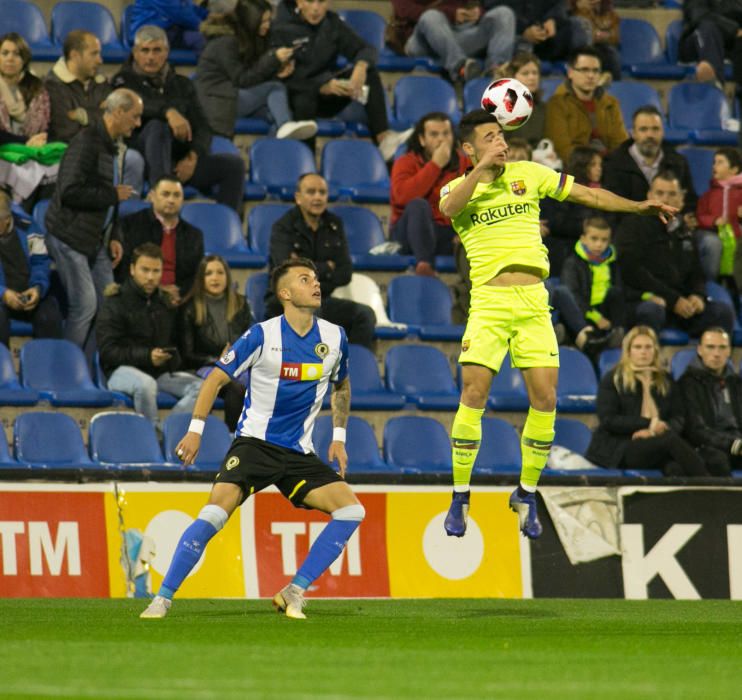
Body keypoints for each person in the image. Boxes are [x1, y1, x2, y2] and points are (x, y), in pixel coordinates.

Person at [437, 109, 677, 540]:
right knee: (474, 392)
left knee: (546, 399)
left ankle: (526, 493)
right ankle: (460, 494)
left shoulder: (529, 173)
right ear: (469, 148)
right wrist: (481, 169)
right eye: (490, 137)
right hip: (490, 301)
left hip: (533, 300)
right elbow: (450, 208)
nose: (501, 142)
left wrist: (638, 206)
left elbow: (592, 196)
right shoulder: (459, 188)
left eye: (502, 135)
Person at [140, 257, 364, 620]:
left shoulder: (335, 337)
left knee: (352, 509)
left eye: (317, 278)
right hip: (255, 445)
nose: (316, 284)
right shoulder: (262, 335)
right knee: (214, 513)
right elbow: (215, 379)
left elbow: (342, 385)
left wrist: (338, 436)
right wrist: (195, 431)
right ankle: (162, 598)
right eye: (306, 279)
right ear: (286, 294)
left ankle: (294, 590)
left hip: (298, 453)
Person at [44, 89, 142, 350]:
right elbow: (69, 191)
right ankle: (67, 373)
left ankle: (89, 374)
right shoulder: (86, 141)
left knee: (109, 307)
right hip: (68, 236)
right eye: (134, 116)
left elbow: (113, 201)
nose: (138, 123)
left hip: (95, 238)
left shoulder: (114, 145)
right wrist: (112, 194)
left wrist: (115, 236)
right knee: (85, 305)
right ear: (118, 112)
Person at [112, 25, 245, 212]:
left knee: (234, 165)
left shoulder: (182, 84)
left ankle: (228, 226)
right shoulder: (122, 80)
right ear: (135, 52)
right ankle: (162, 193)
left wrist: (193, 157)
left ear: (166, 52)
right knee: (158, 126)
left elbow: (203, 127)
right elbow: (140, 106)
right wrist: (169, 112)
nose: (150, 57)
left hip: (179, 163)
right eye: (145, 50)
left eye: (157, 50)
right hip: (142, 160)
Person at [270, 0, 412, 161]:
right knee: (304, 101)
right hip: (295, 97)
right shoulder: (281, 29)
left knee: (370, 73)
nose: (316, 8)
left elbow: (366, 49)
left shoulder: (332, 24)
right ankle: (306, 162)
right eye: (310, 1)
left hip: (328, 93)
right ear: (299, 2)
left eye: (321, 2)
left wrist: (360, 66)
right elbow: (279, 79)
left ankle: (384, 140)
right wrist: (320, 86)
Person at [616, 170, 735, 338]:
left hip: (682, 305)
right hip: (646, 299)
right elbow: (633, 272)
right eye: (659, 193)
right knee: (651, 310)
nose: (665, 199)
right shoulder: (632, 225)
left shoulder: (683, 229)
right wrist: (673, 300)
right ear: (649, 195)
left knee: (722, 312)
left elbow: (697, 271)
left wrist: (697, 295)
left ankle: (707, 360)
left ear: (682, 199)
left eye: (672, 194)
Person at [96, 242, 203, 427]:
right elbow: (108, 351)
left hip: (158, 372)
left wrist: (168, 356)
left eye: (156, 271)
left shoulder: (164, 303)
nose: (151, 277)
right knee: (146, 385)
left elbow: (174, 343)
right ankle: (152, 434)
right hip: (119, 371)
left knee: (202, 387)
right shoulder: (114, 303)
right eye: (145, 270)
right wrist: (147, 356)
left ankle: (164, 431)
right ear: (132, 269)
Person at [266, 173, 376, 350]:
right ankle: (312, 373)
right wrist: (327, 267)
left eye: (322, 192)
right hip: (286, 302)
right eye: (311, 192)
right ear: (298, 198)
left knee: (364, 315)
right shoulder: (283, 227)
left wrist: (306, 272)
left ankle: (350, 371)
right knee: (311, 311)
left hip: (321, 298)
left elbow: (345, 272)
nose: (317, 197)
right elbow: (287, 273)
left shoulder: (334, 224)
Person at [585, 325, 709, 476]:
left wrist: (656, 431)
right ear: (628, 351)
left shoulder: (665, 380)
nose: (643, 352)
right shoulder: (613, 379)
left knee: (675, 468)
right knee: (670, 441)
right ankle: (713, 489)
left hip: (657, 441)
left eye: (648, 347)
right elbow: (608, 419)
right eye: (638, 347)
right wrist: (648, 424)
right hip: (621, 446)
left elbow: (679, 417)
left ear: (655, 350)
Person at [195, 0, 317, 140]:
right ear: (251, 20)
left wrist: (277, 71)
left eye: (269, 20)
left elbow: (254, 73)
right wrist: (273, 59)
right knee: (275, 88)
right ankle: (285, 124)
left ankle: (271, 155)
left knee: (276, 114)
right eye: (264, 21)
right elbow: (242, 80)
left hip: (234, 96)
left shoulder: (252, 38)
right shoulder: (226, 42)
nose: (268, 25)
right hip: (218, 100)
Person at [44, 31, 145, 194]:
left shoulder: (100, 82)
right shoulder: (53, 86)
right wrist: (98, 113)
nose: (100, 60)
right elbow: (66, 131)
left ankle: (126, 213)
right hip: (71, 152)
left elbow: (115, 120)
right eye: (94, 54)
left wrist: (82, 115)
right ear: (75, 55)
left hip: (105, 147)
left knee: (133, 159)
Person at [390, 111, 471, 277]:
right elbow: (403, 198)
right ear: (422, 139)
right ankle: (424, 265)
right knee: (418, 205)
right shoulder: (405, 162)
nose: (441, 139)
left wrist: (463, 233)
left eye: (446, 134)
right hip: (409, 233)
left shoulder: (466, 164)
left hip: (448, 233)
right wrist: (435, 165)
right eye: (434, 134)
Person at [179, 255, 252, 432]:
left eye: (220, 272)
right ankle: (229, 437)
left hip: (237, 366)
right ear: (201, 278)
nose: (215, 277)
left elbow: (249, 341)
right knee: (235, 386)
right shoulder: (189, 307)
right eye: (209, 273)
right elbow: (186, 355)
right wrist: (217, 360)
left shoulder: (240, 303)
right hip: (205, 366)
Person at [117, 176, 204, 306]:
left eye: (176, 195)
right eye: (165, 194)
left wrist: (178, 294)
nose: (171, 200)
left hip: (180, 300)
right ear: (152, 196)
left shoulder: (194, 235)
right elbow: (124, 269)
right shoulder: (130, 225)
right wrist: (159, 291)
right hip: (139, 297)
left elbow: (196, 275)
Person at [389, 0, 517, 82]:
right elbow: (404, 10)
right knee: (431, 16)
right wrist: (452, 14)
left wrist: (475, 13)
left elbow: (472, 5)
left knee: (504, 14)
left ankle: (497, 70)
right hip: (422, 40)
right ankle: (460, 67)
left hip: (456, 36)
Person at [675, 327, 742, 477]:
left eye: (722, 347)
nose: (716, 354)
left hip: (737, 443)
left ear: (729, 351)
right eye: (710, 347)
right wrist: (732, 444)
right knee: (717, 461)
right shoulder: (687, 384)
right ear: (700, 350)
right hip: (708, 446)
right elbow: (695, 430)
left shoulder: (736, 383)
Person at [544, 46, 627, 164]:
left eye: (595, 71)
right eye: (584, 70)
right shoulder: (557, 104)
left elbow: (620, 143)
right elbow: (562, 148)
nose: (591, 76)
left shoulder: (610, 103)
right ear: (570, 72)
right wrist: (591, 165)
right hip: (576, 168)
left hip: (609, 167)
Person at [0, 191, 62, 347]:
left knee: (49, 318)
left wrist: (37, 288)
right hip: (2, 295)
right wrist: (3, 294)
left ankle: (46, 368)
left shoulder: (29, 227)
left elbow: (40, 261)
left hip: (28, 291)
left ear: (7, 220)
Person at [559, 215, 625, 351]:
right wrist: (595, 317)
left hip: (606, 314)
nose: (599, 244)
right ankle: (583, 340)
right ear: (583, 239)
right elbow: (572, 296)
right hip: (583, 313)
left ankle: (618, 335)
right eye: (594, 239)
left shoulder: (613, 263)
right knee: (566, 299)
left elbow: (619, 289)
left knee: (616, 293)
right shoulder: (572, 263)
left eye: (604, 240)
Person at [485, 0, 590, 63]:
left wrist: (552, 20)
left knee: (578, 24)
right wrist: (524, 30)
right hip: (513, 37)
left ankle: (582, 68)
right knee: (504, 18)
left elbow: (559, 4)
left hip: (544, 37)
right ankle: (497, 70)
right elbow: (493, 7)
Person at [696, 147, 742, 284]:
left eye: (720, 162)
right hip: (714, 234)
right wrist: (714, 220)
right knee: (713, 244)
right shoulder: (709, 194)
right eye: (714, 162)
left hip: (738, 235)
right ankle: (712, 285)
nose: (714, 166)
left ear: (734, 169)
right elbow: (700, 215)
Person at [679, 0, 742, 90]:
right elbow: (699, 16)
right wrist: (735, 30)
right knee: (708, 27)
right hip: (696, 43)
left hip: (726, 46)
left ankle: (739, 92)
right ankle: (714, 82)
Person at [0, 33, 49, 140]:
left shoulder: (37, 88)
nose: (10, 59)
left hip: (32, 149)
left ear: (24, 59)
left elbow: (44, 127)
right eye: (5, 53)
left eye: (16, 54)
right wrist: (24, 141)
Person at [495, 51, 546, 146]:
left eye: (535, 73)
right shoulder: (501, 109)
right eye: (525, 73)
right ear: (512, 77)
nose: (532, 77)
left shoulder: (543, 107)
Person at [568, 0, 621, 84]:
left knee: (611, 53)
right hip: (578, 47)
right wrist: (581, 9)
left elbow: (615, 38)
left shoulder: (611, 15)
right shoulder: (576, 10)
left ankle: (614, 88)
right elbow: (583, 34)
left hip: (603, 48)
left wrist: (602, 36)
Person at [128, 0, 208, 54]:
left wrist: (210, 16)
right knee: (201, 39)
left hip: (168, 31)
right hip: (149, 34)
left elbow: (192, 9)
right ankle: (207, 76)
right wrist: (207, 27)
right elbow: (181, 15)